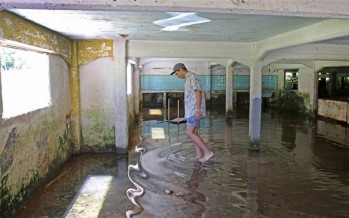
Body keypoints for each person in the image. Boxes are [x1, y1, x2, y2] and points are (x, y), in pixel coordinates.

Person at [170, 63, 214, 162]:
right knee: (194, 133)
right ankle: (199, 156)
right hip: (191, 111)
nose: (177, 76)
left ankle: (208, 153)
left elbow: (198, 92)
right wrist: (185, 116)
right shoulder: (188, 78)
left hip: (194, 110)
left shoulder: (192, 77)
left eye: (177, 73)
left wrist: (197, 110)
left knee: (189, 132)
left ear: (181, 69)